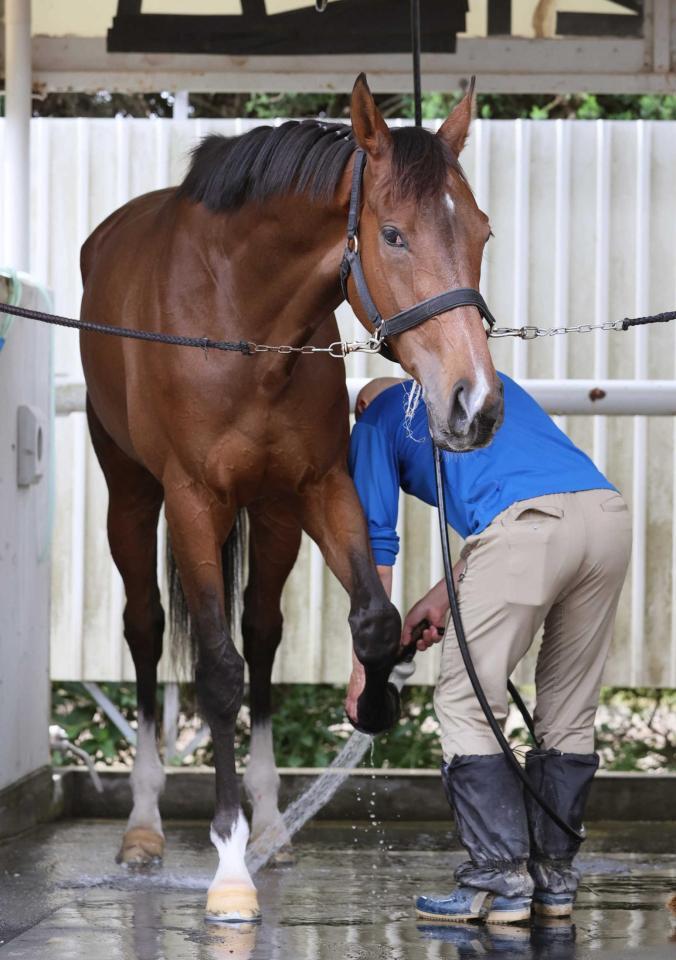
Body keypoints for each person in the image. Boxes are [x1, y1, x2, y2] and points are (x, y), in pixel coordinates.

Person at [346, 374, 632, 925]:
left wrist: (366, 673)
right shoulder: (487, 381)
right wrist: (440, 598)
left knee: (466, 703)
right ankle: (553, 883)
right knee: (569, 711)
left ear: (362, 404)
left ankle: (499, 882)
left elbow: (374, 549)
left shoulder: (376, 418)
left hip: (521, 534)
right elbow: (528, 499)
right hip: (605, 518)